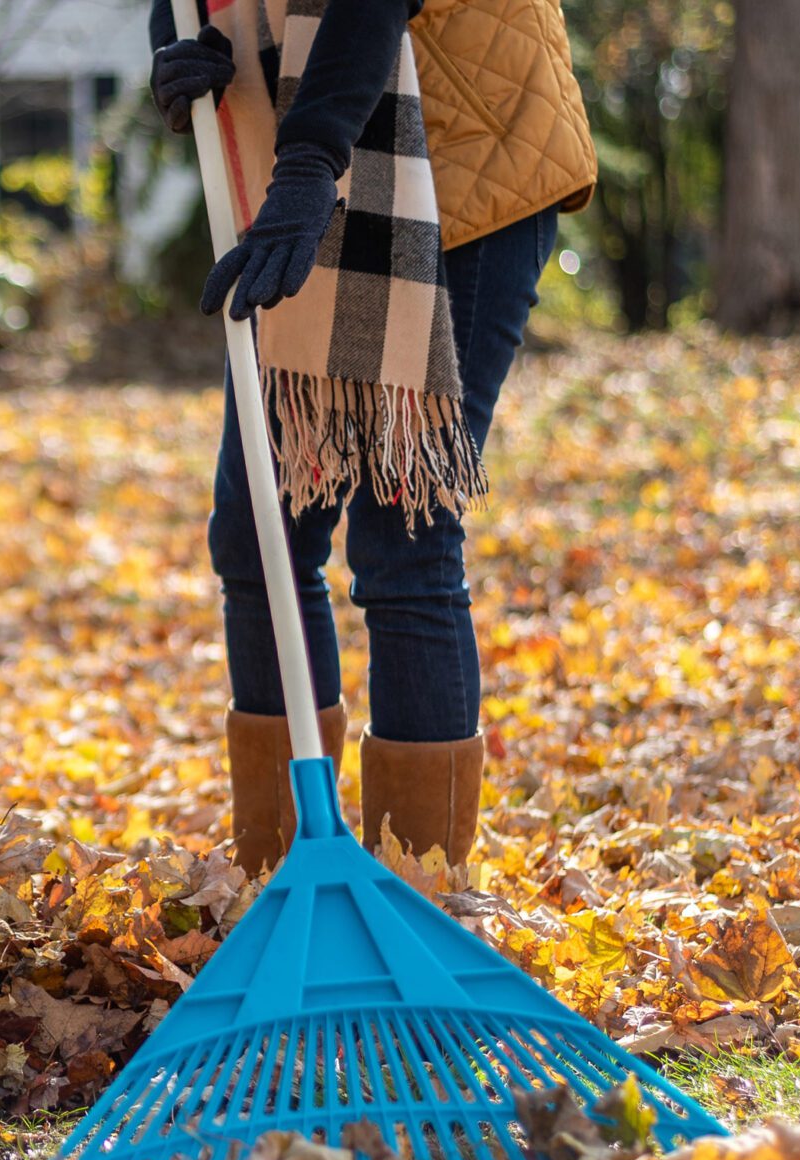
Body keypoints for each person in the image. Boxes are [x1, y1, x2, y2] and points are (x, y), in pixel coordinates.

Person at [148, 0, 597, 877]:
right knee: (259, 529)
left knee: (404, 535)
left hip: (469, 164)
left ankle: (423, 895)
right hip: (304, 178)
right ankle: (285, 879)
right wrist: (182, 67)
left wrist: (310, 161)